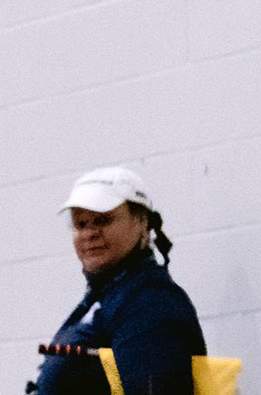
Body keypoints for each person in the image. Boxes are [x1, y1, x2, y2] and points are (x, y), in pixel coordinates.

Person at [29, 167, 206, 395]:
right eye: (81, 224)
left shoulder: (149, 303)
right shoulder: (107, 298)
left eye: (102, 220)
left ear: (141, 222)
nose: (89, 233)